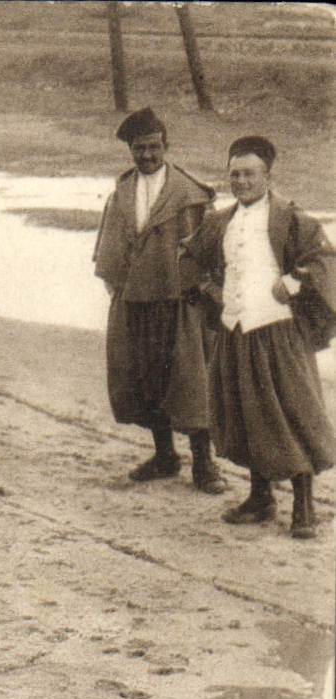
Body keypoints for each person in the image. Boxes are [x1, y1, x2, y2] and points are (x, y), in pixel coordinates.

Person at [183, 136, 336, 539]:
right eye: (234, 174)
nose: (241, 181)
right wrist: (211, 292)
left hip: (278, 331)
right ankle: (260, 497)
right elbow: (193, 258)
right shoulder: (221, 221)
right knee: (244, 414)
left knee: (292, 412)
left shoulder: (291, 217)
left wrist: (293, 281)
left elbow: (323, 259)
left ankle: (304, 506)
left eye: (250, 174)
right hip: (235, 331)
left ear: (267, 175)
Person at [93, 108, 224, 493]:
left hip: (179, 304)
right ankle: (165, 455)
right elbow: (110, 250)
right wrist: (118, 289)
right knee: (145, 381)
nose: (147, 155)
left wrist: (205, 294)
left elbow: (214, 252)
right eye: (139, 148)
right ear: (130, 150)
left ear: (166, 146)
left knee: (191, 383)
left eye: (153, 147)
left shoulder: (189, 193)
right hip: (136, 303)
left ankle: (205, 464)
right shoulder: (122, 192)